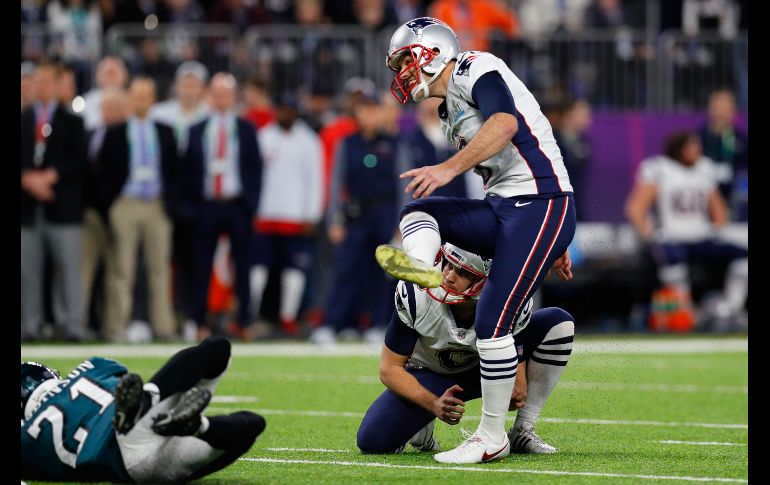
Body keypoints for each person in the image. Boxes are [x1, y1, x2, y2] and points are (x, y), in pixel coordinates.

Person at [374, 17, 575, 463]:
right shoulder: (449, 110)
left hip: (539, 200)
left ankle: (494, 435)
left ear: (432, 51)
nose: (402, 72)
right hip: (509, 207)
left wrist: (447, 169)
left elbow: (505, 123)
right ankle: (425, 273)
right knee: (419, 211)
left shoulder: (475, 67)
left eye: (406, 59)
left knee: (492, 322)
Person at [357, 243, 574, 457]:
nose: (449, 276)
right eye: (448, 265)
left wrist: (517, 375)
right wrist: (432, 403)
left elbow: (517, 336)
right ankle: (423, 425)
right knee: (373, 440)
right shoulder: (417, 294)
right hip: (431, 374)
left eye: (463, 272)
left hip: (487, 369)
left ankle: (523, 430)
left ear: (485, 281)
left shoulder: (507, 297)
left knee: (557, 324)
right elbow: (389, 368)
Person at [21, 336, 266, 482]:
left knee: (253, 424)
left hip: (131, 468)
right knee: (219, 350)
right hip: (132, 426)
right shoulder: (92, 368)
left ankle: (192, 424)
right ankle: (159, 404)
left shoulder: (29, 436)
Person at [624, 130, 748, 331]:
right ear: (679, 149)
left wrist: (718, 231)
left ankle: (730, 309)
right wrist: (650, 235)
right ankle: (683, 313)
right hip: (671, 236)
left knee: (743, 257)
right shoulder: (659, 169)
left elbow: (719, 212)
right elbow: (635, 208)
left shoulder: (704, 168)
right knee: (672, 261)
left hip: (700, 235)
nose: (697, 150)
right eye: (692, 146)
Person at [21, 61, 88, 342]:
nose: (44, 85)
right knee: (28, 272)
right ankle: (30, 326)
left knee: (69, 269)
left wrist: (52, 176)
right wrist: (27, 179)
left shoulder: (73, 122)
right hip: (27, 208)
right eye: (40, 80)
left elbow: (80, 161)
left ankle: (72, 326)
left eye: (50, 80)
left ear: (59, 84)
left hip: (63, 207)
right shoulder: (23, 119)